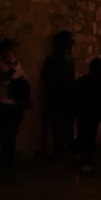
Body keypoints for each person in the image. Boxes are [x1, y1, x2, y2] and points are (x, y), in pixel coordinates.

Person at [40, 30, 76, 159]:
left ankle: (63, 149)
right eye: (70, 41)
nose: (72, 44)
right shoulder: (54, 59)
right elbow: (46, 76)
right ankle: (59, 150)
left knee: (64, 124)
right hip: (57, 97)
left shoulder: (68, 58)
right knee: (58, 125)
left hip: (65, 97)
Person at [1, 40, 30, 169]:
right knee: (8, 137)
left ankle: (8, 163)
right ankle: (7, 163)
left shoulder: (15, 64)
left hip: (13, 105)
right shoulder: (8, 65)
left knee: (10, 136)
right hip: (6, 105)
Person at [74, 57, 101, 171]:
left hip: (82, 112)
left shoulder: (81, 81)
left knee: (82, 132)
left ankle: (81, 155)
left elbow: (75, 97)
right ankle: (86, 159)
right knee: (90, 135)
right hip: (94, 113)